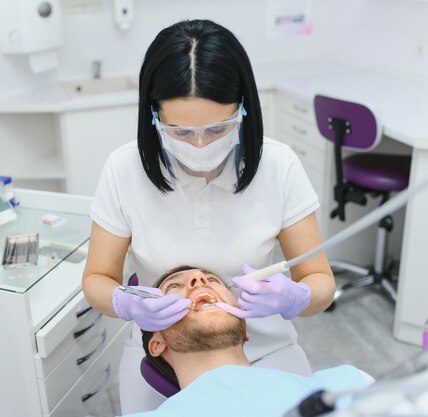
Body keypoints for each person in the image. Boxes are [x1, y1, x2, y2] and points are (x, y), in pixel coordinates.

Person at [82, 19, 335, 414]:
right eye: (181, 132)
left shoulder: (279, 166)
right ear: (154, 117)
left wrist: (296, 297)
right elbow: (97, 278)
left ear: (244, 109)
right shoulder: (122, 170)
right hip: (166, 357)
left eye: (218, 129)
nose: (200, 145)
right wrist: (126, 304)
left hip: (266, 346)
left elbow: (320, 282)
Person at [127, 266, 370, 417]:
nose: (198, 279)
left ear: (244, 331)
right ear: (156, 343)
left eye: (213, 281)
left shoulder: (351, 385)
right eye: (174, 286)